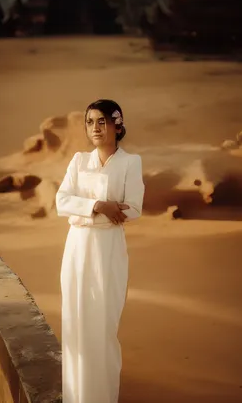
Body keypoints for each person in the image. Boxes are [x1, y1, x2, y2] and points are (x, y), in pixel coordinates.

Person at [56, 99, 145, 403]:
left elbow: (133, 209)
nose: (95, 128)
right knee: (75, 323)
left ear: (117, 125)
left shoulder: (131, 162)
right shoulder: (79, 161)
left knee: (104, 326)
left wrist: (92, 210)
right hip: (77, 248)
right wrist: (98, 205)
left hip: (108, 250)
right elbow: (61, 201)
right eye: (90, 122)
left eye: (102, 121)